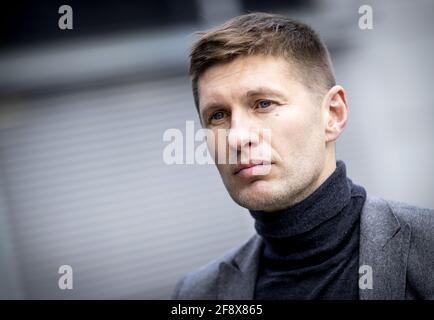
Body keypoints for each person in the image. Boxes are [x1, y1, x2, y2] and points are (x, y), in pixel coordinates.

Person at [172, 12, 434, 300]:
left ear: (333, 114)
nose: (236, 137)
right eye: (218, 115)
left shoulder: (427, 249)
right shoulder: (198, 295)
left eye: (262, 104)